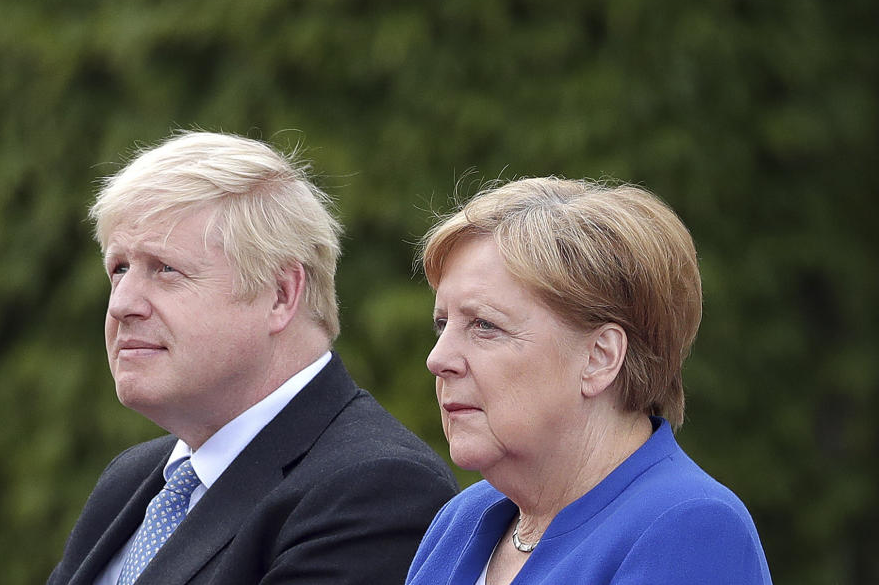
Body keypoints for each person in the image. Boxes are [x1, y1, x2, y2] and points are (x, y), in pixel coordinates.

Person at [47, 131, 458, 585]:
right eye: (118, 269)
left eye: (165, 269)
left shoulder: (376, 490)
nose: (122, 303)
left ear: (280, 295)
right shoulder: (131, 480)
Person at [406, 177, 773, 585]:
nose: (437, 359)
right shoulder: (460, 521)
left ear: (600, 358)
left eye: (484, 325)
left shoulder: (691, 528)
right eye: (442, 325)